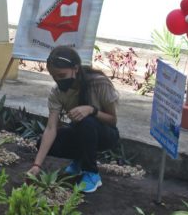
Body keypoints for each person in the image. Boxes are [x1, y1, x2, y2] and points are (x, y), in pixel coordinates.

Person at [27, 46, 120, 193]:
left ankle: (92, 174)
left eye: (62, 75)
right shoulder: (57, 93)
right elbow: (51, 128)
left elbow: (112, 120)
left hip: (105, 134)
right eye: (54, 77)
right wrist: (37, 165)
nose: (58, 80)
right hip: (80, 132)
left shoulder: (99, 83)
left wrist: (91, 110)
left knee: (86, 122)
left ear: (75, 68)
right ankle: (79, 161)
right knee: (46, 143)